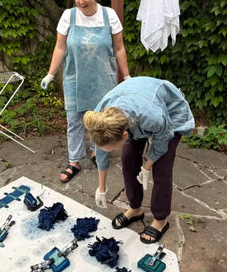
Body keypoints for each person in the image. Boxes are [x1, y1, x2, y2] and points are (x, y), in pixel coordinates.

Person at [83, 76, 195, 244]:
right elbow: (101, 152)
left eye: (114, 147)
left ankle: (160, 219)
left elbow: (162, 141)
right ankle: (135, 209)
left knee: (161, 168)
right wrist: (101, 188)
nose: (112, 151)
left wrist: (147, 167)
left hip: (169, 113)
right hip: (133, 108)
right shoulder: (101, 121)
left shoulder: (153, 116)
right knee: (128, 161)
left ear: (125, 135)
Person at [41, 0, 130, 183]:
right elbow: (60, 47)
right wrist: (50, 73)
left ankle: (97, 152)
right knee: (74, 121)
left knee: (100, 120)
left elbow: (119, 48)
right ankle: (74, 161)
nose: (81, 2)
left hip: (103, 78)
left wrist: (126, 76)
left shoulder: (109, 16)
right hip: (75, 77)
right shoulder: (68, 16)